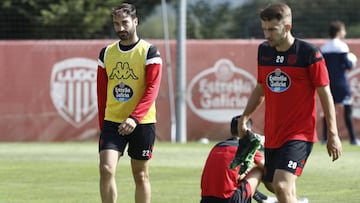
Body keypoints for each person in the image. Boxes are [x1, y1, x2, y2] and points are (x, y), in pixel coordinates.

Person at [236, 3, 343, 203]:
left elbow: (325, 94)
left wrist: (333, 133)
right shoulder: (264, 51)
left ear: (287, 27)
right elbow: (261, 87)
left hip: (299, 134)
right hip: (274, 133)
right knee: (273, 185)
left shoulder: (309, 54)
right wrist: (245, 117)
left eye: (272, 29)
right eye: (264, 29)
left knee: (282, 185)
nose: (267, 35)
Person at [96, 3, 162, 203]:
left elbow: (152, 90)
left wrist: (134, 118)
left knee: (140, 175)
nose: (120, 28)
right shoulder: (106, 53)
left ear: (135, 21)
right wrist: (103, 125)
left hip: (142, 123)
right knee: (106, 169)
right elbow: (101, 93)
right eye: (116, 24)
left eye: (124, 23)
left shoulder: (149, 52)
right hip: (113, 122)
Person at [200, 115, 278, 203]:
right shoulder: (246, 148)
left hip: (206, 199)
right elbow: (268, 168)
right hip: (230, 199)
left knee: (240, 172)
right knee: (259, 170)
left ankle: (263, 198)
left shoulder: (216, 147)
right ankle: (283, 196)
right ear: (248, 130)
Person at [320, 20, 360, 146]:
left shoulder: (324, 47)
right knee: (347, 111)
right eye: (343, 30)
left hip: (327, 83)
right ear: (339, 31)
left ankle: (324, 138)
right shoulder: (342, 46)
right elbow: (348, 65)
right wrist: (352, 61)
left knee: (327, 110)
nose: (345, 32)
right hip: (341, 83)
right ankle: (353, 139)